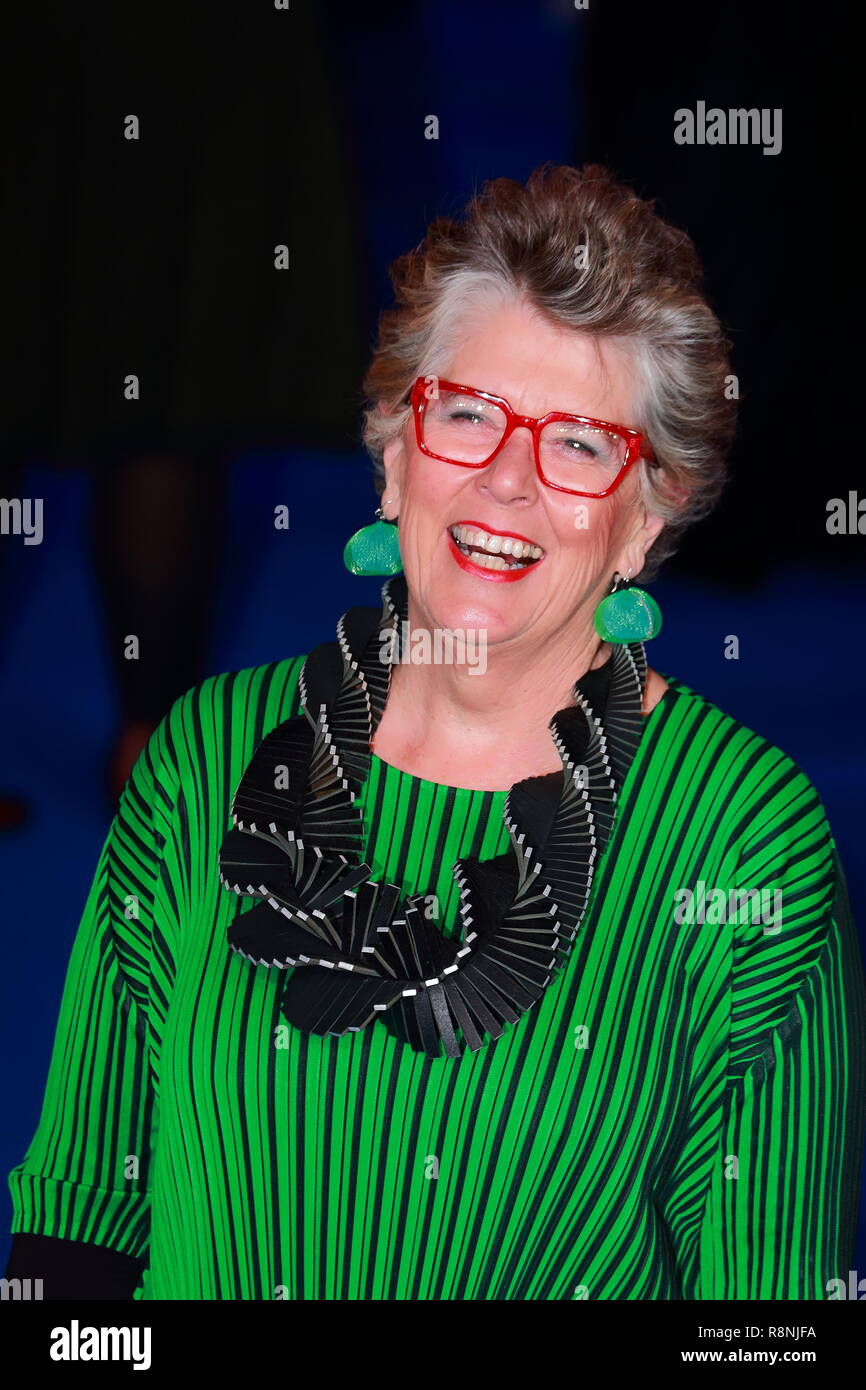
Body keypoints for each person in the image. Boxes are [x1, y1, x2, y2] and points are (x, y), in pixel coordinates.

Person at [6, 165, 865, 1300]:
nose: (506, 481)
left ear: (644, 514)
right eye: (466, 415)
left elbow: (768, 1312)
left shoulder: (745, 845)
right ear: (394, 450)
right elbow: (82, 1228)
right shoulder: (206, 758)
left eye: (577, 445)